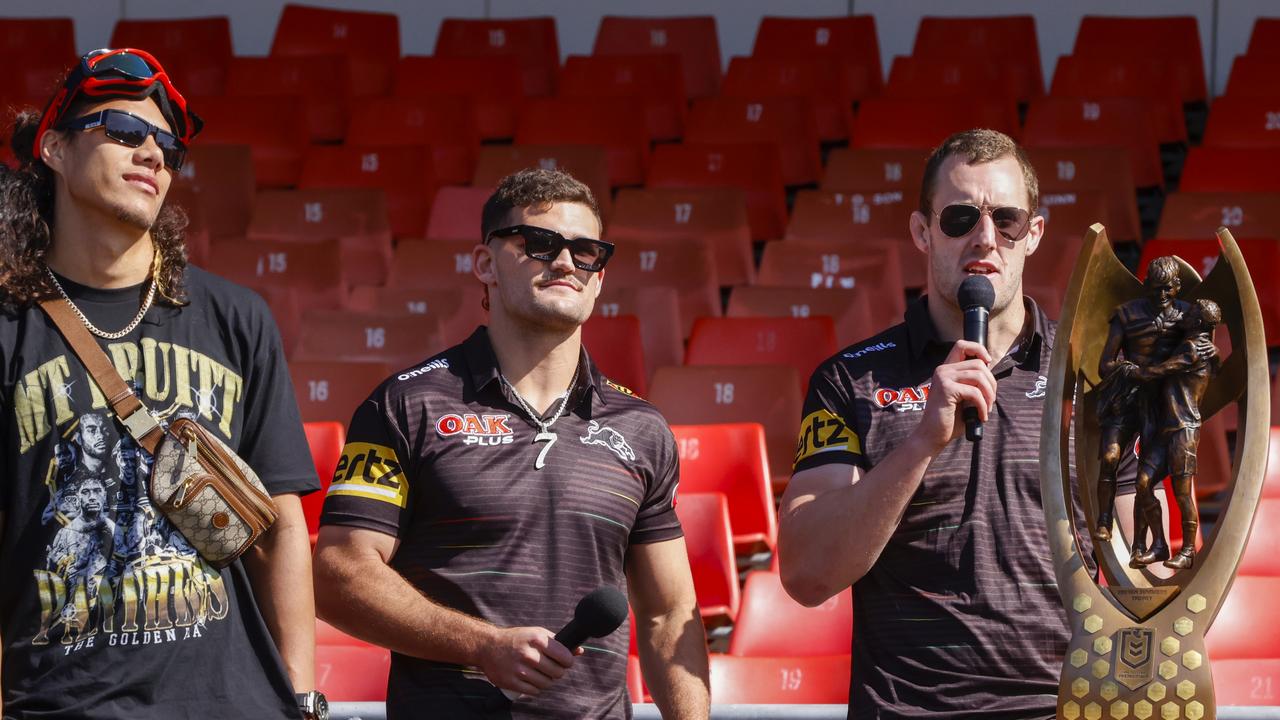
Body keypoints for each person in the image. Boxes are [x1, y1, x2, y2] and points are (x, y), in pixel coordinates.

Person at [313, 168, 710, 719]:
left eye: (587, 251)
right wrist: (482, 646)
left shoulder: (642, 427)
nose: (566, 262)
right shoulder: (405, 405)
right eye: (541, 243)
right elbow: (339, 575)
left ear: (599, 277)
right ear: (485, 264)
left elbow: (670, 613)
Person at [0, 48, 322, 719]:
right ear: (54, 149)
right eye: (122, 129)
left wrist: (300, 695)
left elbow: (282, 523)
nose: (151, 151)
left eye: (167, 143)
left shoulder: (236, 317)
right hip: (66, 703)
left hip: (237, 705)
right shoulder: (9, 329)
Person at [777, 128, 1138, 719]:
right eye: (961, 217)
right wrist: (923, 440)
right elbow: (808, 574)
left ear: (1035, 234)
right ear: (922, 231)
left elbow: (1140, 572)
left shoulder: (1097, 378)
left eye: (1008, 219)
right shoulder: (849, 381)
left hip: (1064, 708)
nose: (985, 238)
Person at [1094, 256, 1194, 568]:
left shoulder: (1188, 316)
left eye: (1167, 289)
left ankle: (1151, 544)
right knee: (1110, 458)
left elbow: (1200, 359)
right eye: (1155, 288)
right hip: (1127, 396)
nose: (1161, 295)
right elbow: (1104, 364)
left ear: (1176, 288)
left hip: (1164, 406)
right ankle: (1104, 518)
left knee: (1145, 480)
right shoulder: (1126, 315)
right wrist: (1129, 370)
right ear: (1146, 286)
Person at [1131, 297, 1222, 570]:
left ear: (1198, 322)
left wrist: (1135, 371)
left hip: (1184, 429)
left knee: (1182, 493)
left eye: (1191, 311)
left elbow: (1162, 370)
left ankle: (1187, 551)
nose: (1186, 312)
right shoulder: (1203, 347)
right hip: (1166, 428)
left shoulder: (1194, 348)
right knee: (1143, 483)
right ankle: (1159, 543)